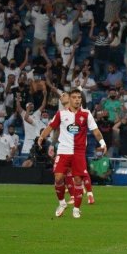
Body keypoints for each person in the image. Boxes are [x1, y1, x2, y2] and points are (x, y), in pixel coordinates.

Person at [37, 88, 107, 219]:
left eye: (79, 97)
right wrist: (42, 137)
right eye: (74, 97)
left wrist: (102, 143)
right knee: (58, 178)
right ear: (70, 99)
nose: (77, 100)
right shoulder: (61, 114)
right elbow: (51, 127)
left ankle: (76, 209)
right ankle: (62, 203)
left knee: (78, 180)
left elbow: (96, 131)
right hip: (63, 151)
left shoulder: (86, 114)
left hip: (79, 152)